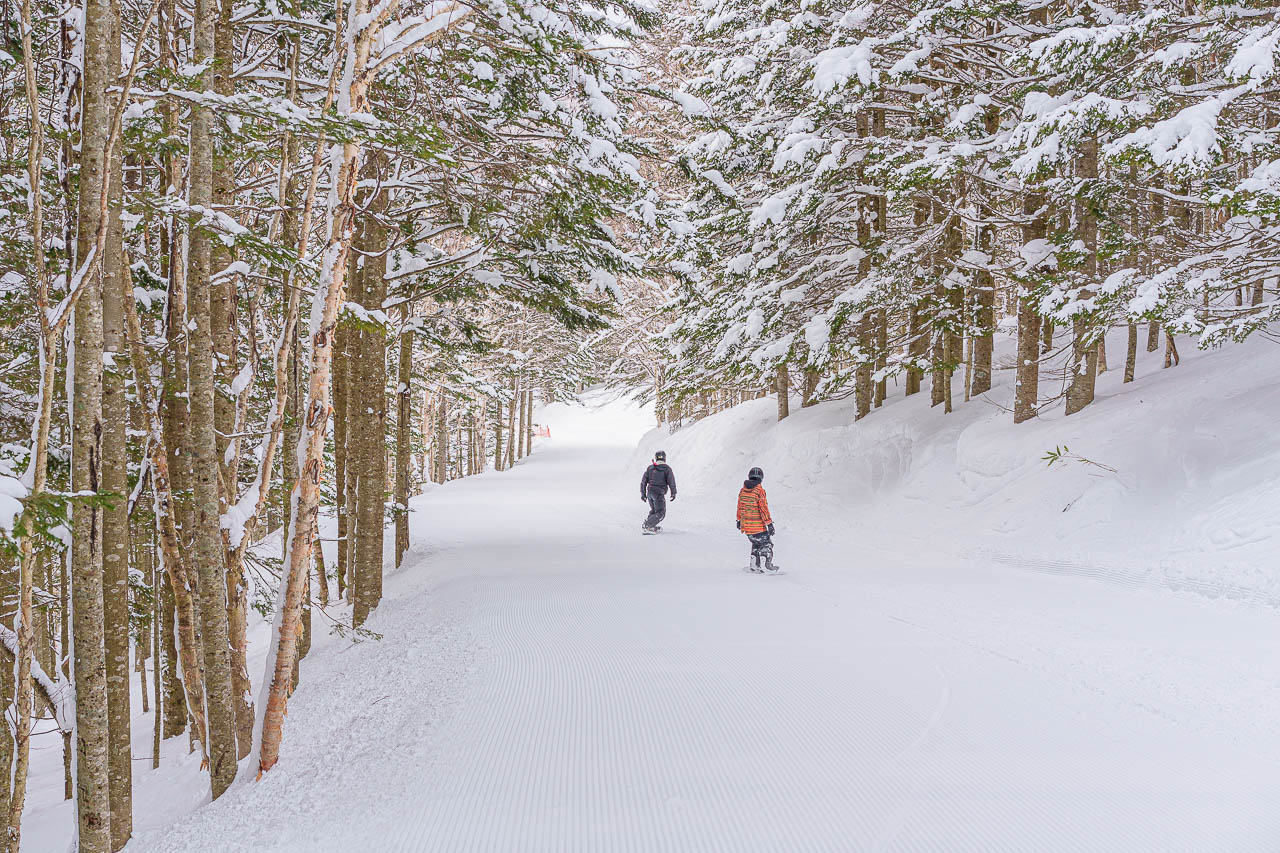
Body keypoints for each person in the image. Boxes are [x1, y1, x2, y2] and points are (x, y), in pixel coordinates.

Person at [736, 466, 778, 572]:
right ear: (761, 478)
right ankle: (766, 565)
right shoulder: (760, 491)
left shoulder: (742, 491)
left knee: (756, 543)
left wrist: (739, 520)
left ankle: (754, 564)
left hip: (747, 528)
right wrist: (769, 524)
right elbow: (763, 509)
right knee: (766, 544)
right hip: (758, 527)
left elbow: (740, 507)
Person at [640, 450, 677, 532]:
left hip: (650, 493)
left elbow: (643, 482)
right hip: (658, 494)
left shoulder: (650, 468)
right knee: (661, 513)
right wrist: (673, 493)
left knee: (654, 511)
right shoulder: (667, 469)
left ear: (656, 458)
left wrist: (643, 494)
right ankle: (648, 525)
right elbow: (671, 482)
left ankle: (649, 525)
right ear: (664, 458)